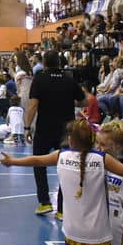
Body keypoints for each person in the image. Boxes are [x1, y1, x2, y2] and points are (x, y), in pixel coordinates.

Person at [25, 52, 84, 216]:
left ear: (44, 63)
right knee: (66, 165)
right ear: (59, 62)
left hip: (44, 128)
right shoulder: (69, 79)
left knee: (39, 163)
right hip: (66, 130)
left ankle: (44, 203)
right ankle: (62, 209)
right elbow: (83, 101)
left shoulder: (39, 79)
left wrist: (27, 127)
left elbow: (33, 105)